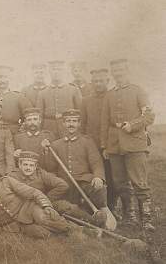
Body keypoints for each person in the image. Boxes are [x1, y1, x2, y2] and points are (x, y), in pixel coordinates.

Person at [100, 59, 156, 231]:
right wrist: (104, 146)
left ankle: (146, 219)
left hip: (135, 144)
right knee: (120, 182)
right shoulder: (109, 95)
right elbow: (104, 122)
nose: (118, 73)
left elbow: (149, 116)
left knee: (139, 182)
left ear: (127, 70)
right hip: (114, 145)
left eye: (121, 70)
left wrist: (132, 125)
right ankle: (129, 216)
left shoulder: (137, 91)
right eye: (115, 71)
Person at [42, 109, 110, 225]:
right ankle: (86, 217)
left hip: (83, 181)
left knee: (99, 187)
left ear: (79, 124)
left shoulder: (87, 142)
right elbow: (50, 168)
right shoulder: (56, 144)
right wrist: (46, 151)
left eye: (74, 121)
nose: (71, 124)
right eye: (68, 121)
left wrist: (98, 177)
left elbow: (96, 163)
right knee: (66, 205)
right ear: (63, 123)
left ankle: (103, 210)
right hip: (65, 183)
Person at [0, 160, 70, 239]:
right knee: (41, 233)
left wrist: (46, 205)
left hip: (28, 209)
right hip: (15, 225)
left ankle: (75, 230)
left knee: (43, 219)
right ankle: (62, 239)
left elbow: (33, 192)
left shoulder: (7, 181)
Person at [11, 151, 105, 226]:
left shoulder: (41, 173)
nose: (28, 168)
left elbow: (62, 185)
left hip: (45, 202)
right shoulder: (12, 176)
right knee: (46, 219)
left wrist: (47, 199)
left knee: (67, 207)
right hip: (24, 207)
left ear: (36, 166)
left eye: (31, 165)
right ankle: (73, 228)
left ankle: (93, 221)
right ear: (19, 165)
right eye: (25, 165)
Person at [81, 68, 115, 211]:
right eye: (95, 81)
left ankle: (111, 207)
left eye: (101, 80)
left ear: (107, 81)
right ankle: (94, 206)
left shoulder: (113, 96)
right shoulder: (86, 100)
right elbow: (83, 124)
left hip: (111, 144)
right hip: (92, 145)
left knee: (111, 177)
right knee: (94, 176)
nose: (98, 84)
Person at [36, 61, 82, 139]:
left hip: (68, 127)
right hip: (48, 127)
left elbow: (80, 112)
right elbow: (39, 115)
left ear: (64, 72)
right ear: (49, 72)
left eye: (59, 69)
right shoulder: (42, 93)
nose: (56, 72)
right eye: (54, 69)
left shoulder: (73, 90)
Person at [0, 65, 32, 134]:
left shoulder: (18, 97)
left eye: (5, 77)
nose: (2, 80)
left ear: (10, 78)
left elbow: (29, 114)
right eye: (0, 77)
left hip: (13, 133)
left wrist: (21, 129)